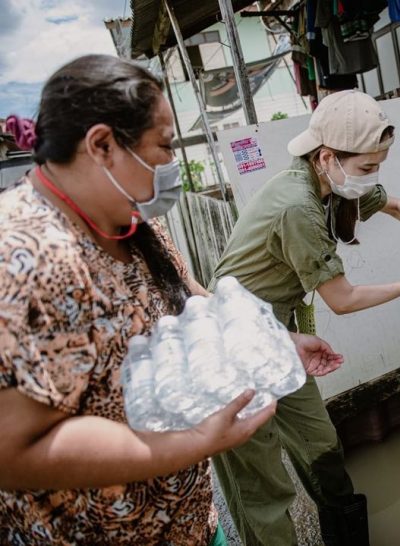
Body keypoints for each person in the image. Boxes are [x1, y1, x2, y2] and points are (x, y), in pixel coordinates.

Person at [0, 54, 341, 545]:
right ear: (102, 145)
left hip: (189, 525)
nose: (172, 164)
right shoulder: (26, 255)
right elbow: (15, 450)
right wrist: (188, 445)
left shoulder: (134, 220)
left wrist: (277, 342)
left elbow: (191, 301)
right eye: (163, 146)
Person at [209, 89, 400, 546]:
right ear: (327, 155)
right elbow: (344, 299)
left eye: (378, 166)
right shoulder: (298, 206)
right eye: (367, 168)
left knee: (320, 446)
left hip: (279, 336)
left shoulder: (330, 183)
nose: (372, 178)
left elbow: (394, 204)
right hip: (233, 346)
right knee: (262, 487)